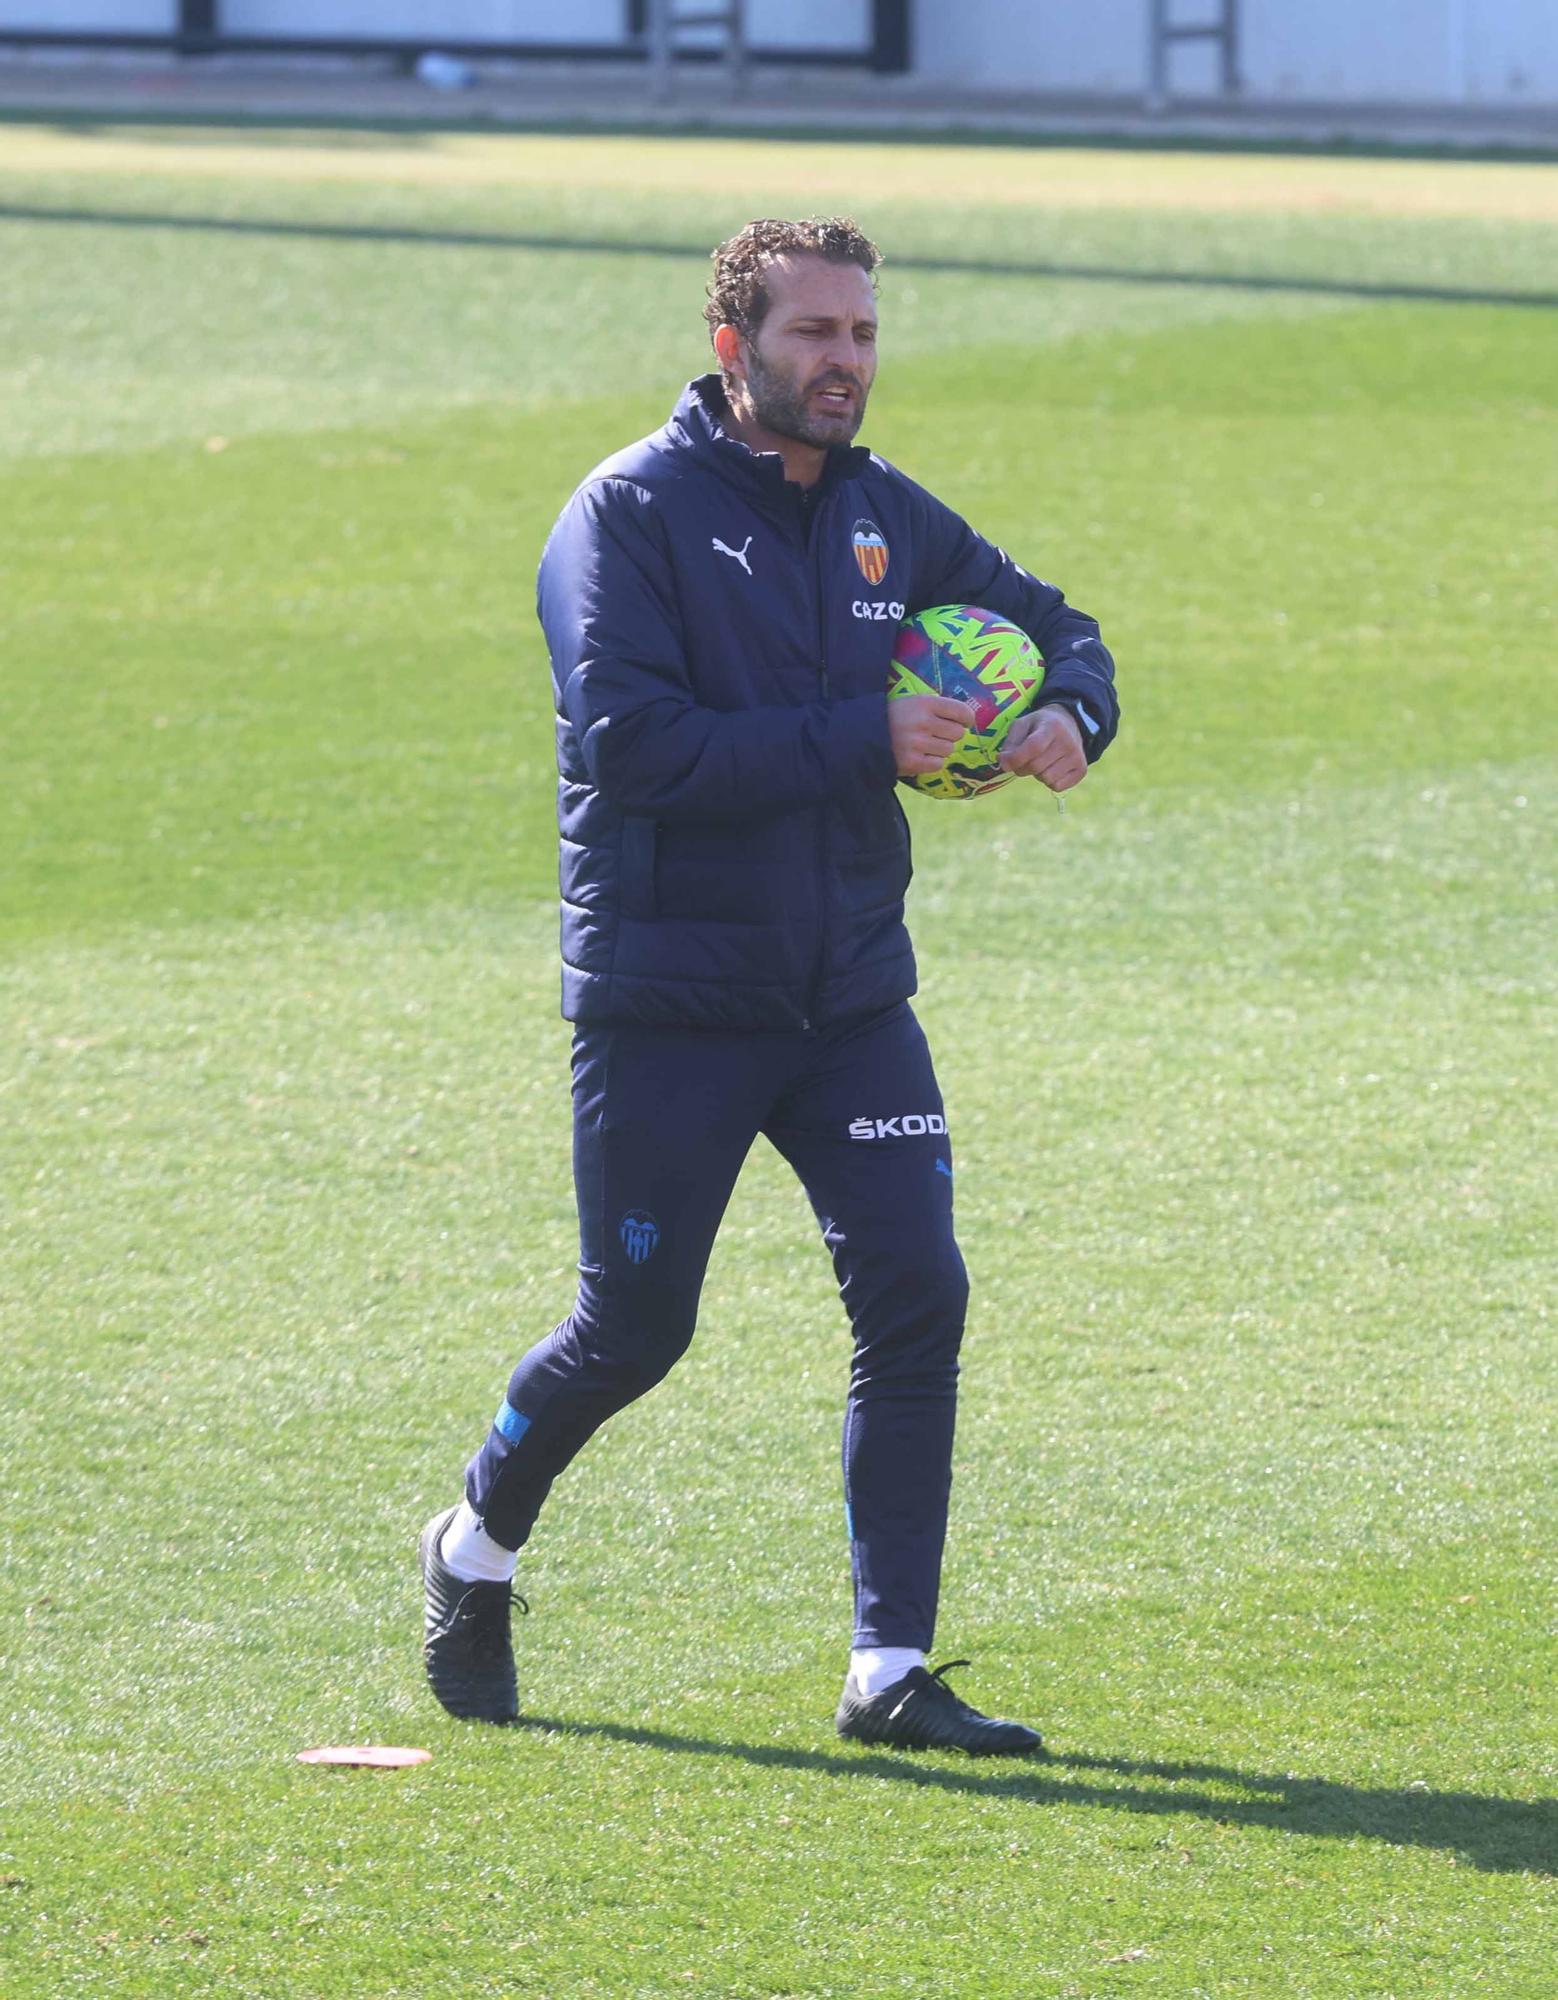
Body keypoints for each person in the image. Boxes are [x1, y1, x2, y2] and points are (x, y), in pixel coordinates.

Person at [420, 216, 1118, 1755]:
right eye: (813, 336)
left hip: (848, 996)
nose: (844, 364)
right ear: (735, 347)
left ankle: (888, 1671)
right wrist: (866, 739)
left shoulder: (883, 516)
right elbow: (637, 750)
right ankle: (473, 1544)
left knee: (917, 1294)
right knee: (635, 1329)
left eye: (862, 336)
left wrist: (1070, 707)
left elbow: (1061, 622)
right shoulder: (628, 515)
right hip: (673, 998)